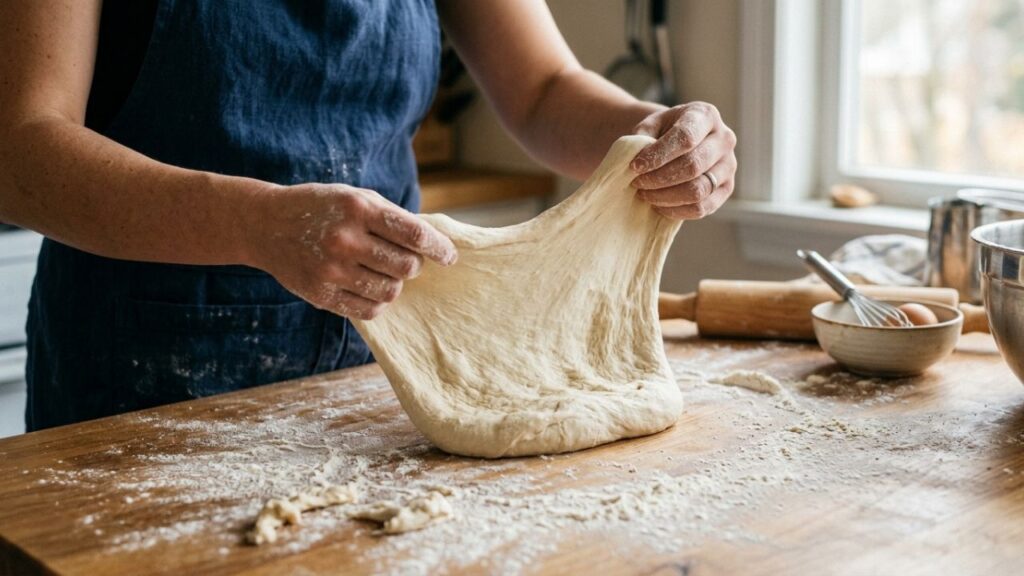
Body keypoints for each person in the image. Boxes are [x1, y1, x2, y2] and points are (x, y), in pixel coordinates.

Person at [0, 0, 737, 432]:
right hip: (146, 374)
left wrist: (651, 134)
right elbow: (19, 148)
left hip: (388, 368)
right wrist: (257, 223)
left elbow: (543, 88)